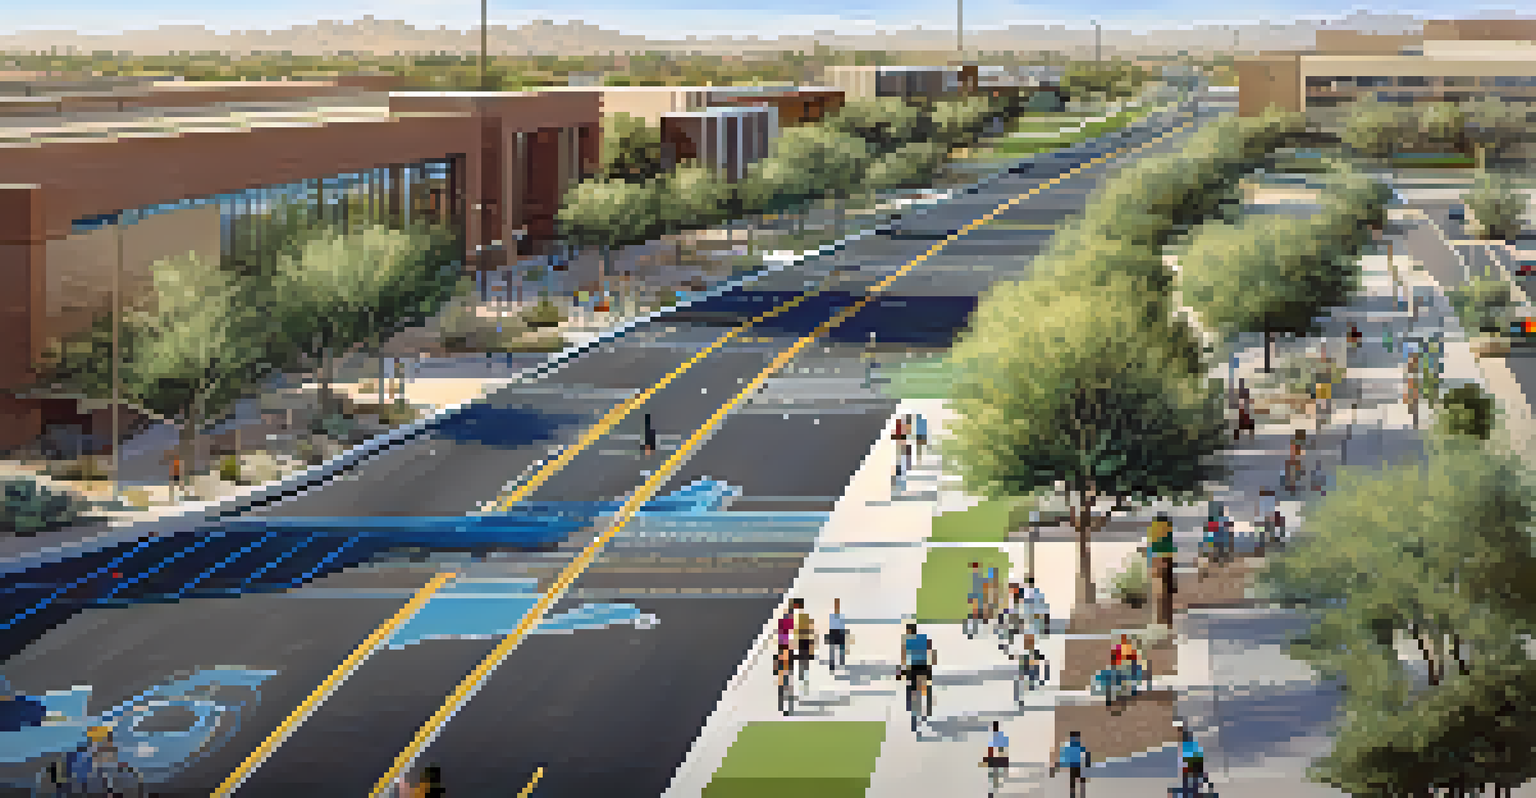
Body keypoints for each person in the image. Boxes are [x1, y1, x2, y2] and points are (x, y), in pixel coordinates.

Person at [900, 623, 935, 726]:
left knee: (911, 688)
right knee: (926, 686)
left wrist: (903, 669)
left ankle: (910, 706)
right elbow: (930, 650)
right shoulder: (923, 638)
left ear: (909, 631)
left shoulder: (907, 641)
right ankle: (928, 707)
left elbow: (904, 656)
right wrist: (931, 663)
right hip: (924, 666)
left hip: (914, 667)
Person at [1050, 731, 1092, 798]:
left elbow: (1063, 757)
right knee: (1080, 780)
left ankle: (1074, 794)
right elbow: (1086, 755)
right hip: (1077, 766)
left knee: (1073, 782)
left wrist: (1056, 766)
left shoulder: (1069, 746)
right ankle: (1081, 794)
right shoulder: (1079, 745)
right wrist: (1087, 765)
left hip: (1073, 766)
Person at [1013, 633, 1049, 702]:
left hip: (1033, 677)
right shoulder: (1024, 656)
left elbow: (1044, 666)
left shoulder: (1037, 655)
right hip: (1028, 677)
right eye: (1026, 642)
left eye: (1028, 642)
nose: (1026, 644)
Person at [981, 720, 1009, 798]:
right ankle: (993, 791)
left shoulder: (993, 737)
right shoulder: (1002, 737)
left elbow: (991, 750)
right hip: (999, 759)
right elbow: (1003, 750)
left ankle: (992, 792)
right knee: (995, 776)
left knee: (993, 776)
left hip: (996, 759)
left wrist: (988, 759)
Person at [1178, 725, 1206, 797]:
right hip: (1192, 768)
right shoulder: (1192, 744)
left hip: (1191, 768)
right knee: (1192, 787)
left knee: (1190, 786)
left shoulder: (1188, 745)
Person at [792, 598, 816, 685]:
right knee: (803, 659)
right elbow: (811, 629)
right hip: (804, 640)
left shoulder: (795, 617)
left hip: (800, 640)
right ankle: (803, 676)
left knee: (801, 658)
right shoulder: (806, 616)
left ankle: (802, 676)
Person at [826, 598, 848, 673]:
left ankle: (841, 662)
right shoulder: (832, 616)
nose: (837, 606)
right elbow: (830, 626)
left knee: (841, 648)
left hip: (839, 632)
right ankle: (832, 664)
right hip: (834, 632)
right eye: (836, 604)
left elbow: (842, 625)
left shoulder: (841, 616)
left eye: (837, 604)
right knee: (832, 649)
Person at [966, 562, 985, 639]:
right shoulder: (975, 577)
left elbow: (976, 589)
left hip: (977, 599)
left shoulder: (977, 577)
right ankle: (973, 631)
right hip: (977, 599)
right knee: (975, 615)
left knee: (976, 614)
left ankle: (974, 631)